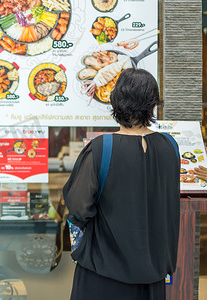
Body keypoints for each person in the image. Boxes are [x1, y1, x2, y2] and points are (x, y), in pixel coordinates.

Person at [63, 68, 180, 300]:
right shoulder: (170, 146)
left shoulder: (102, 148)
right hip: (153, 274)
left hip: (104, 272)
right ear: (153, 104)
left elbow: (78, 206)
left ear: (115, 101)